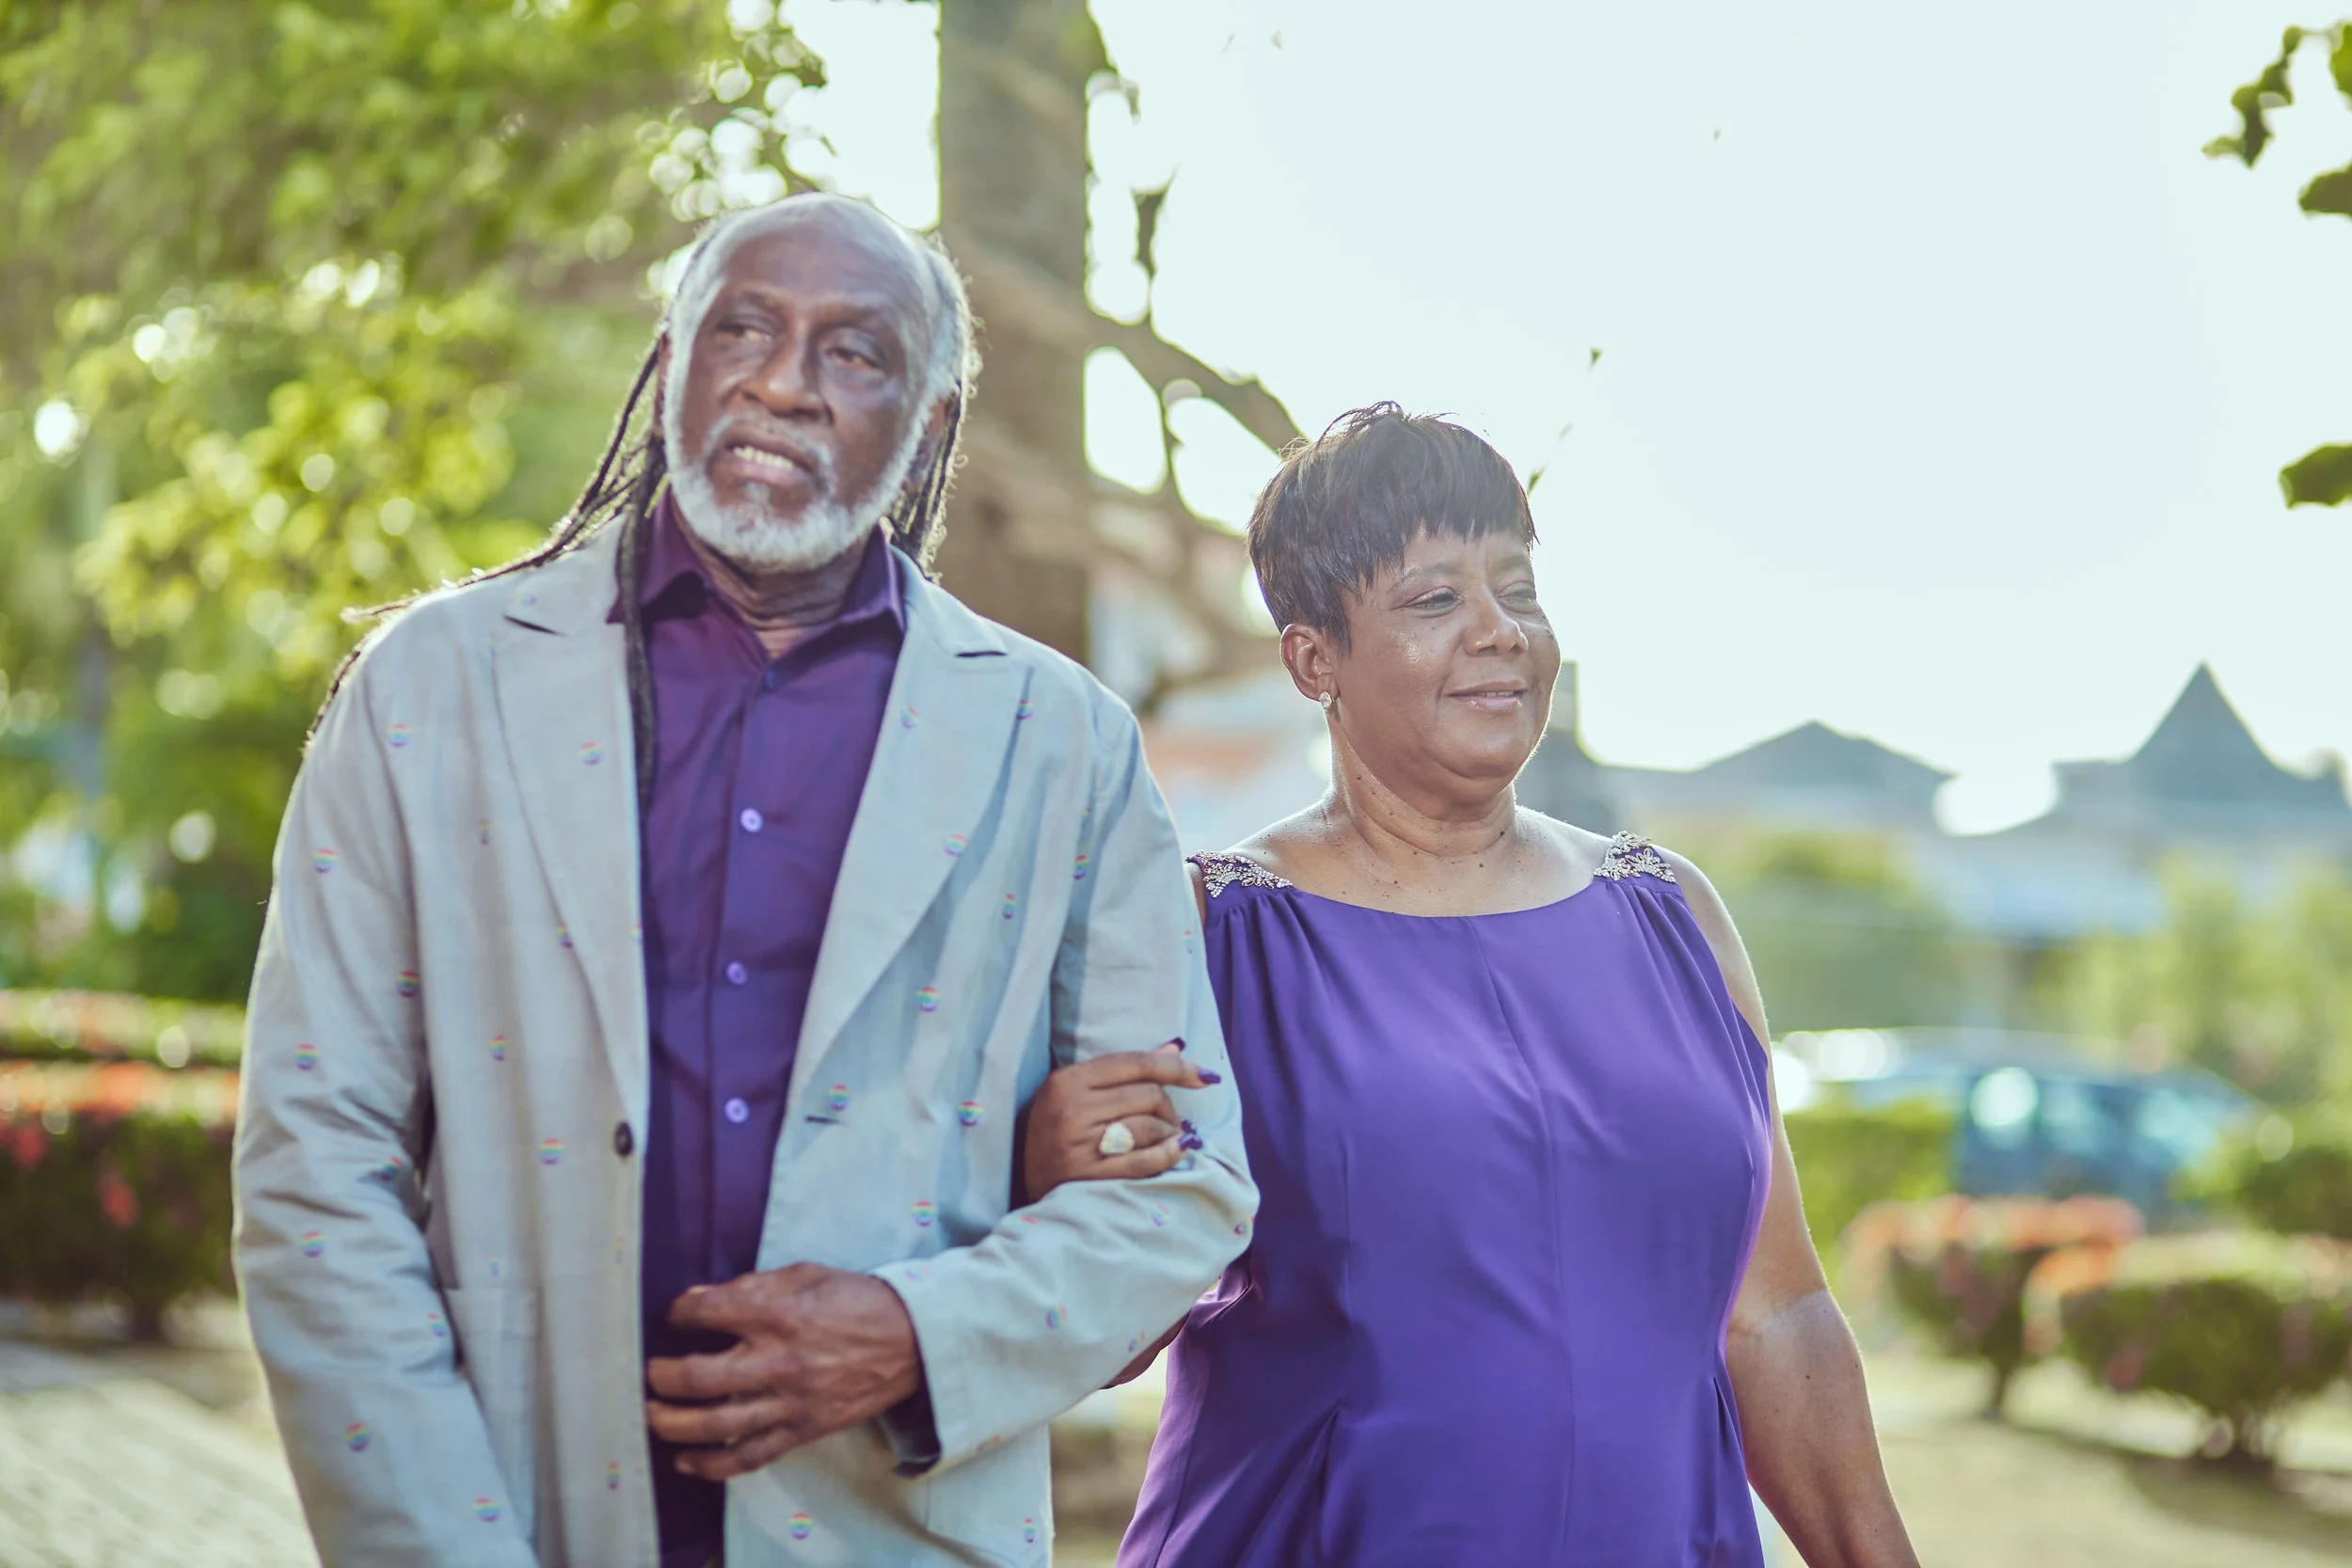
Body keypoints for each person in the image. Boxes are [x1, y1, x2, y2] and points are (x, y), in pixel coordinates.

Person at [231, 192, 1255, 1568]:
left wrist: (914, 1333)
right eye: (746, 328)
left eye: (856, 352)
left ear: (931, 425)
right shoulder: (432, 690)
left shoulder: (1062, 742)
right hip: (513, 1513)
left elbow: (1183, 1190)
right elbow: (315, 1169)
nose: (784, 380)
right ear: (669, 365)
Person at [1022, 404, 1919, 1566]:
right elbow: (1101, 1321)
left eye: (1518, 588)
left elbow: (1774, 1310)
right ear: (1314, 657)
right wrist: (1045, 1189)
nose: (1499, 631)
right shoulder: (1212, 933)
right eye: (1435, 598)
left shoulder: (1674, 914)